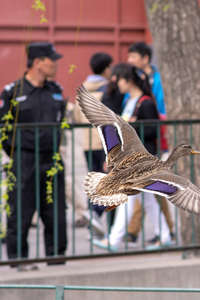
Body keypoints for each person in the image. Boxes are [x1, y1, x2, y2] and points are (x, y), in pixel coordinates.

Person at [0, 42, 67, 270]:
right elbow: (4, 128)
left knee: (55, 211)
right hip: (24, 160)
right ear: (38, 63)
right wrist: (17, 150)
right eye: (52, 60)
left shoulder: (56, 91)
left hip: (52, 159)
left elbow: (60, 122)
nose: (56, 64)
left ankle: (56, 258)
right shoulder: (12, 92)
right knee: (20, 210)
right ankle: (19, 259)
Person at [93, 63, 172, 251]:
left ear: (128, 80)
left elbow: (152, 130)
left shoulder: (145, 103)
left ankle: (115, 239)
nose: (117, 84)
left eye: (119, 79)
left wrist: (134, 127)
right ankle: (164, 236)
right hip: (131, 158)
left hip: (141, 159)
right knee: (147, 200)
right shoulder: (129, 101)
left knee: (130, 197)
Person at [126, 42, 175, 245]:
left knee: (148, 191)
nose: (130, 60)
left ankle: (132, 233)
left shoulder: (157, 80)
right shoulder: (132, 81)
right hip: (138, 143)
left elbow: (160, 107)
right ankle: (158, 232)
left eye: (134, 56)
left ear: (145, 58)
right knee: (148, 192)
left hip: (153, 139)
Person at [72, 52, 113, 236]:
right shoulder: (108, 89)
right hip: (105, 143)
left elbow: (75, 117)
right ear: (106, 69)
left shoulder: (82, 90)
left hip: (87, 143)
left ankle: (92, 221)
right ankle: (96, 215)